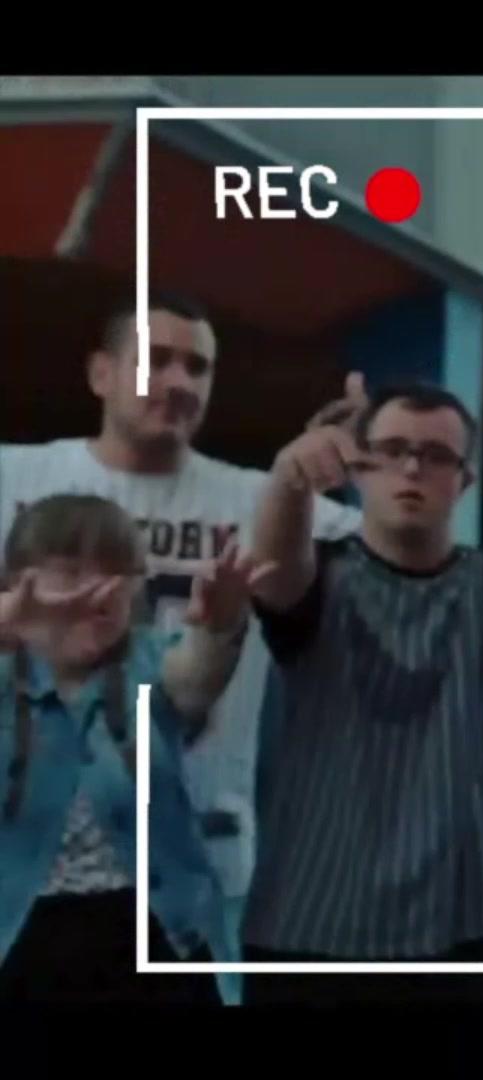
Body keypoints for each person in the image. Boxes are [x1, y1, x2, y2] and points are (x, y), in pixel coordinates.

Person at [0, 292, 362, 970]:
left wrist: (362, 462)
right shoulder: (15, 476)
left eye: (197, 368)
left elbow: (394, 556)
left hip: (193, 862)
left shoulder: (262, 501)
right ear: (101, 373)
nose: (178, 382)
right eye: (155, 360)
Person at [240, 380, 483, 1004]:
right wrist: (290, 477)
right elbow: (273, 568)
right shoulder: (317, 578)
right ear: (359, 467)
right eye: (392, 449)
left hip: (454, 936)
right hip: (305, 932)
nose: (412, 467)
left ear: (464, 480)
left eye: (437, 455)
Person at [0, 494, 266, 1002]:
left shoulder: (146, 662)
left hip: (153, 930)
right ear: (18, 581)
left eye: (117, 574)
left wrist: (220, 628)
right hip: (19, 934)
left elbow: (193, 678)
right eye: (72, 573)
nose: (101, 591)